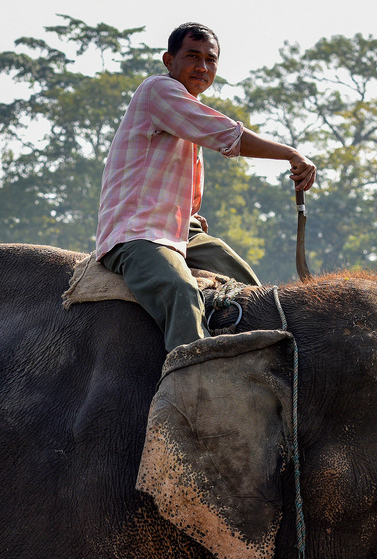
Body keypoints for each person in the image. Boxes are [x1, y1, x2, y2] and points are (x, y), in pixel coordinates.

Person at [95, 23, 316, 353]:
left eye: (210, 60)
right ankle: (195, 389)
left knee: (252, 287)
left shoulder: (186, 112)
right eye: (192, 56)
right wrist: (289, 153)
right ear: (169, 61)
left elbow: (186, 189)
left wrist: (193, 217)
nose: (202, 67)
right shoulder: (159, 90)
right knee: (180, 291)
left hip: (182, 232)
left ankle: (266, 362)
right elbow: (225, 134)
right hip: (138, 233)